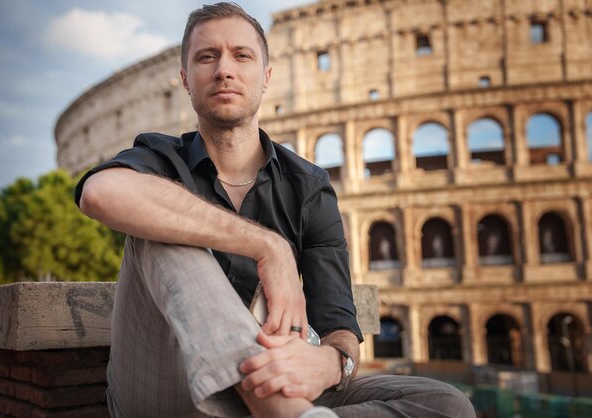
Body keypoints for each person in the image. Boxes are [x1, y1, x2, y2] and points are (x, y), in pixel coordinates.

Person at [76, 3, 475, 417]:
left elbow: (339, 324)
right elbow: (100, 193)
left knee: (448, 404)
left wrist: (330, 362)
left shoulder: (309, 187)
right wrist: (270, 247)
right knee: (163, 222)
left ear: (266, 77)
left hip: (276, 375)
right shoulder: (160, 157)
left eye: (242, 56)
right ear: (185, 79)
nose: (224, 70)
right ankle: (285, 412)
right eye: (207, 57)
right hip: (166, 385)